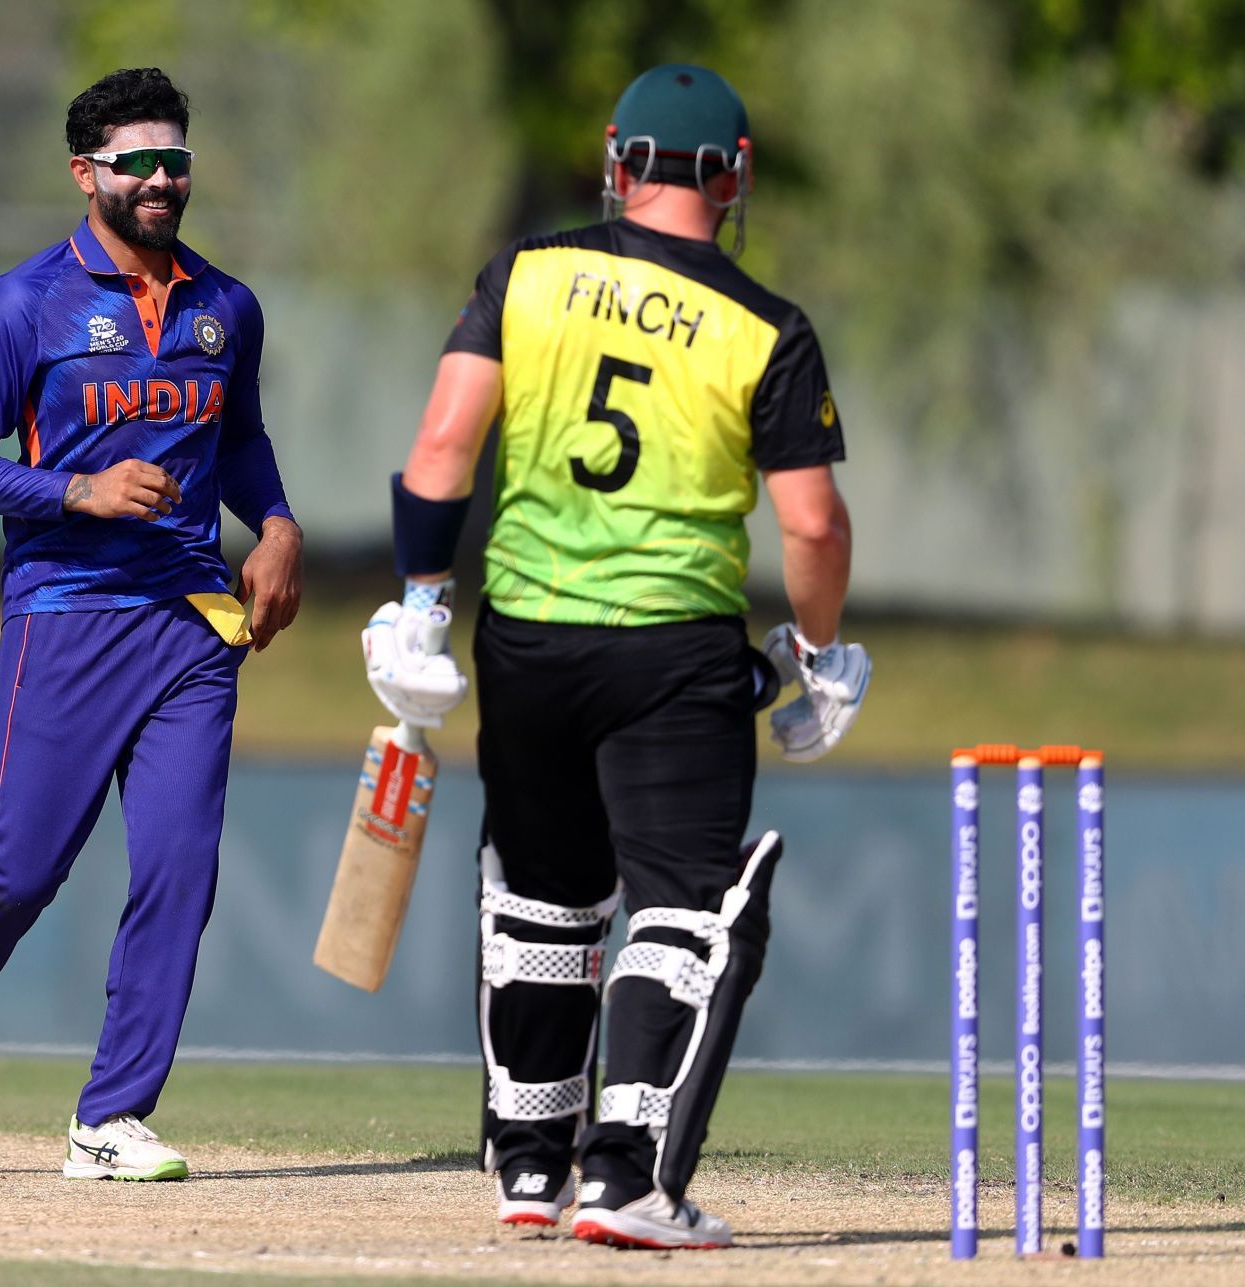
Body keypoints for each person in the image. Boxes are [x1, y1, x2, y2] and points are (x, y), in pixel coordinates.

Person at [364, 64, 870, 1247]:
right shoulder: (767, 329)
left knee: (542, 895)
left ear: (616, 156)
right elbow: (812, 525)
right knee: (685, 906)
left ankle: (532, 1168)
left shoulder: (526, 275)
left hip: (528, 636)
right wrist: (824, 653)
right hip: (673, 649)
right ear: (734, 176)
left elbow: (441, 448)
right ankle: (628, 1179)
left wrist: (419, 609)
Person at [0, 66, 303, 1181]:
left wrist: (281, 524)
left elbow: (239, 438)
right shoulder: (30, 303)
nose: (160, 178)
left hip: (193, 624)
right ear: (85, 173)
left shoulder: (225, 305)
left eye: (175, 159)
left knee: (180, 872)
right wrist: (78, 493)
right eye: (136, 161)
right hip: (66, 614)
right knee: (21, 870)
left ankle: (109, 1120)